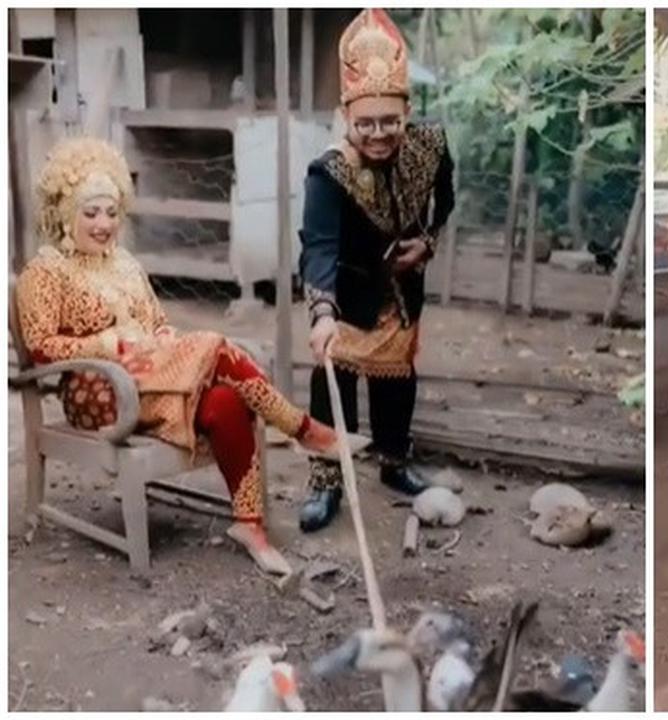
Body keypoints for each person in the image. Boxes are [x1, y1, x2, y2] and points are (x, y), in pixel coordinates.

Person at [14, 137, 349, 574]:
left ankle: (249, 524)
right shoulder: (45, 270)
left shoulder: (126, 265)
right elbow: (41, 347)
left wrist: (165, 341)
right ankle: (301, 428)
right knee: (215, 344)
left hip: (151, 372)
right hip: (97, 388)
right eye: (91, 212)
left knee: (227, 401)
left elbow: (157, 324)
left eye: (112, 212)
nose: (104, 224)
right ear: (64, 212)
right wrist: (108, 344)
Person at [298, 8, 455, 533]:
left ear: (407, 112)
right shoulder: (329, 171)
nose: (379, 134)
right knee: (333, 381)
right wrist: (321, 310)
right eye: (366, 123)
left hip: (401, 289)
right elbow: (317, 245)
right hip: (345, 290)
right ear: (348, 117)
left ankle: (394, 463)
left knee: (397, 380)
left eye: (390, 120)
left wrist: (427, 243)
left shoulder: (430, 148)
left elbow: (447, 199)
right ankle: (326, 481)